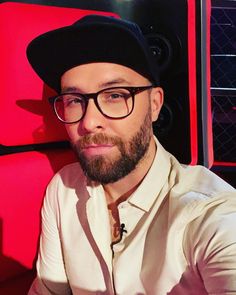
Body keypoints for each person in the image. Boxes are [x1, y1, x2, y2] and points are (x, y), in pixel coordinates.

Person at [26, 15, 236, 295]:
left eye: (114, 95)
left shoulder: (208, 213)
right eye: (75, 100)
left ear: (154, 104)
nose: (88, 122)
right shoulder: (63, 190)